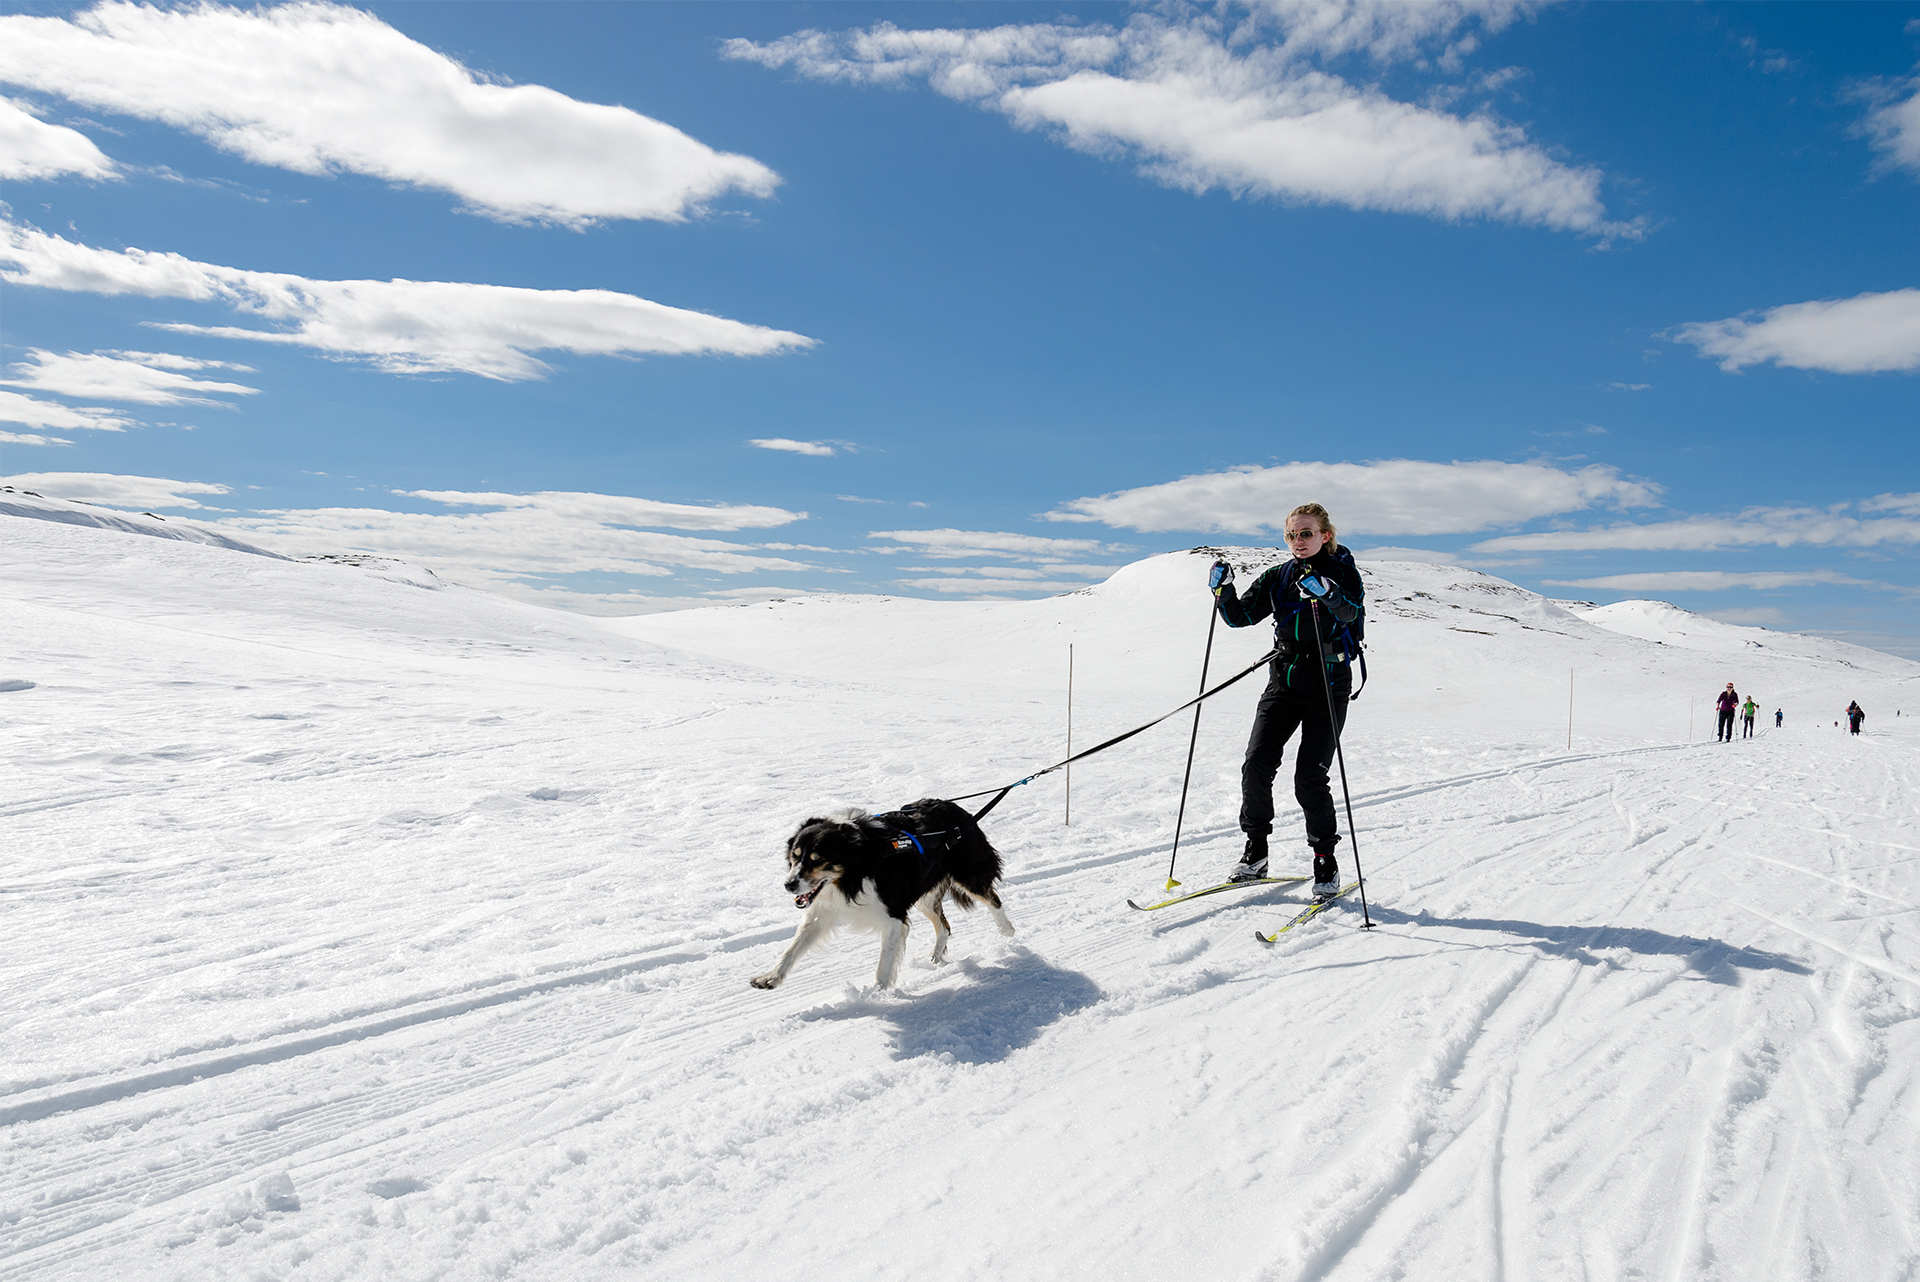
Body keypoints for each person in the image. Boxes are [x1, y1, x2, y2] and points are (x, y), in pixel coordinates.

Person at [1208, 503, 1365, 897]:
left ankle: (1325, 864)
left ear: (1325, 535)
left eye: (1307, 533)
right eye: (1292, 534)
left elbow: (1352, 615)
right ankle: (1256, 853)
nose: (1299, 541)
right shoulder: (1278, 577)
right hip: (1284, 679)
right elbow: (1240, 617)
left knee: (1309, 778)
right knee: (1256, 765)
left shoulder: (1342, 571)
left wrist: (1327, 593)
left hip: (1329, 682)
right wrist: (1223, 590)